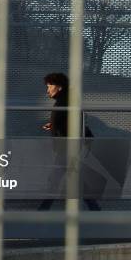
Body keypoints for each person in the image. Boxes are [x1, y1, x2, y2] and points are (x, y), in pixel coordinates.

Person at [38, 72, 100, 211]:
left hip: (68, 148)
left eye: (49, 86)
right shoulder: (66, 101)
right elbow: (71, 122)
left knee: (55, 180)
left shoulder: (64, 103)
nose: (47, 90)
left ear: (59, 87)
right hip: (70, 147)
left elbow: (74, 123)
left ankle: (43, 210)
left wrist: (57, 126)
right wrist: (53, 125)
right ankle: (94, 208)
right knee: (75, 180)